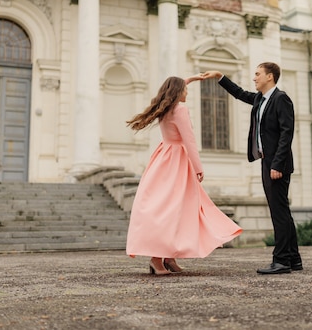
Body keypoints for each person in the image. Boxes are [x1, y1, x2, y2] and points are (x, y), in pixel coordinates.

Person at [125, 75, 242, 275]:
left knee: (172, 208)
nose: (187, 92)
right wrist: (198, 167)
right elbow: (189, 140)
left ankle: (169, 257)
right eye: (185, 89)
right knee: (173, 209)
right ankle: (157, 259)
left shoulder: (166, 109)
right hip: (178, 162)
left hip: (163, 159)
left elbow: (174, 85)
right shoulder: (180, 110)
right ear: (178, 92)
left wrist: (192, 79)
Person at [201, 63, 302, 274]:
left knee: (279, 212)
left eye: (258, 74)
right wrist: (220, 76)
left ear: (270, 77)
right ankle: (293, 259)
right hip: (267, 161)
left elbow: (287, 133)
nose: (254, 78)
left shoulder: (281, 98)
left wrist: (276, 164)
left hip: (277, 164)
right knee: (282, 211)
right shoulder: (260, 99)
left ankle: (282, 260)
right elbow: (239, 93)